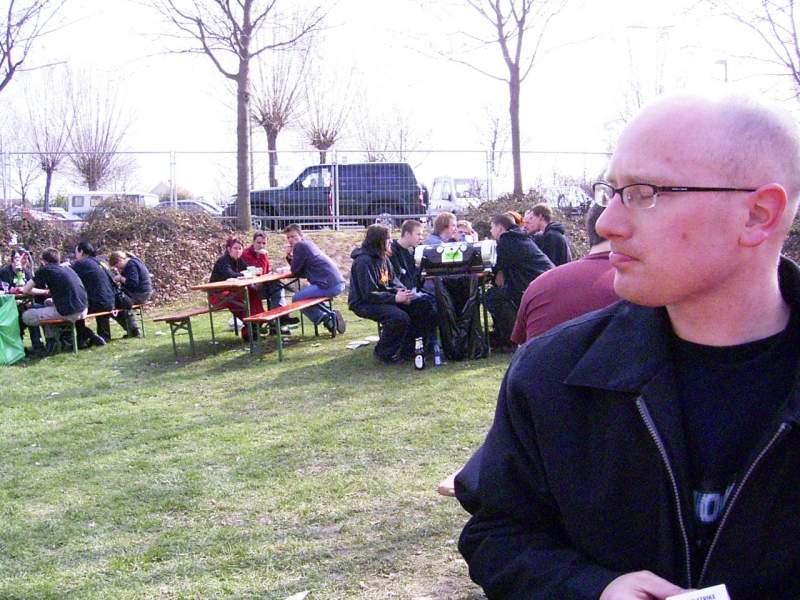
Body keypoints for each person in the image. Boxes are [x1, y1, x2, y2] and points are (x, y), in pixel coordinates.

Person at [458, 95, 800, 600]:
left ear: (757, 214)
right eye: (613, 191)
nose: (606, 223)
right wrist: (593, 589)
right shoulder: (553, 373)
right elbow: (498, 534)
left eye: (645, 193)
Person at [510, 203, 618, 344]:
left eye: (531, 218)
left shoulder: (537, 286)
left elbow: (522, 348)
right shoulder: (640, 289)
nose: (527, 223)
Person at [349, 224, 437, 364]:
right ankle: (384, 353)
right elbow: (368, 293)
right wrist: (395, 298)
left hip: (385, 298)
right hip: (365, 303)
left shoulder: (383, 258)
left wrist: (403, 293)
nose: (391, 241)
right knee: (399, 317)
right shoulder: (363, 262)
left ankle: (413, 349)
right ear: (378, 241)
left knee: (423, 305)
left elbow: (393, 281)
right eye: (387, 239)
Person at [484, 213, 553, 349]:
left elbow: (496, 266)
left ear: (500, 228)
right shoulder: (520, 237)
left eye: (492, 227)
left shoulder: (506, 241)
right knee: (497, 294)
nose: (491, 231)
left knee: (492, 297)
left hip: (531, 285)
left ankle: (512, 338)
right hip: (543, 280)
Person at [20, 247, 90, 356]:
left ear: (44, 261)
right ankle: (56, 340)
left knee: (27, 315)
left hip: (70, 312)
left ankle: (49, 344)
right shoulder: (67, 268)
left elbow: (25, 290)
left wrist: (42, 291)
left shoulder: (45, 270)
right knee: (47, 302)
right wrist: (46, 292)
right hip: (84, 308)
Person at [284, 224, 346, 335]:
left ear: (301, 235)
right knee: (304, 298)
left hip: (328, 285)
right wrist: (290, 257)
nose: (291, 240)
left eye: (293, 236)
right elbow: (301, 272)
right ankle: (329, 314)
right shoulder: (308, 244)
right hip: (336, 282)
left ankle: (327, 318)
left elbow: (295, 271)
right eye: (288, 237)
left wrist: (289, 255)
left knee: (297, 299)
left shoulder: (300, 246)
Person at [209, 237, 265, 339]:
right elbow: (230, 274)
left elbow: (248, 270)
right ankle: (250, 328)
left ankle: (259, 319)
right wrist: (245, 274)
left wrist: (254, 271)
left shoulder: (239, 260)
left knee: (252, 292)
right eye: (235, 248)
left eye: (240, 248)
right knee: (237, 300)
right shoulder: (223, 261)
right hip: (217, 295)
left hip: (233, 292)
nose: (238, 251)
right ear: (229, 249)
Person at [242, 231, 298, 330]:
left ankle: (278, 319)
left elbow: (266, 271)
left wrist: (270, 272)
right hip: (251, 287)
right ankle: (280, 318)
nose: (261, 246)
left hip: (263, 284)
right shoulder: (246, 254)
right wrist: (263, 257)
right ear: (253, 242)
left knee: (277, 285)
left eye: (264, 243)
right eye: (258, 243)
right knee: (276, 287)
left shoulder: (263, 254)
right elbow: (258, 272)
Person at [71, 241, 113, 346]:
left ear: (81, 252)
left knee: (75, 309)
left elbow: (70, 280)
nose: (75, 256)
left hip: (98, 303)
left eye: (76, 252)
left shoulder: (81, 263)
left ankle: (85, 338)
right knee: (99, 297)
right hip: (111, 301)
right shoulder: (102, 261)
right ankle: (105, 336)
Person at [108, 250, 152, 338]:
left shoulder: (131, 265)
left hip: (140, 294)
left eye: (116, 265)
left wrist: (120, 278)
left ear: (120, 260)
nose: (117, 268)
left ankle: (133, 330)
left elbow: (132, 283)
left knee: (113, 305)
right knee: (120, 302)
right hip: (144, 292)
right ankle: (132, 329)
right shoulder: (134, 261)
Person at [389, 219, 425, 290]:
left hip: (415, 289)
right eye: (418, 234)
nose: (421, 238)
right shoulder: (392, 251)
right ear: (407, 234)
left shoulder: (417, 249)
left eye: (421, 235)